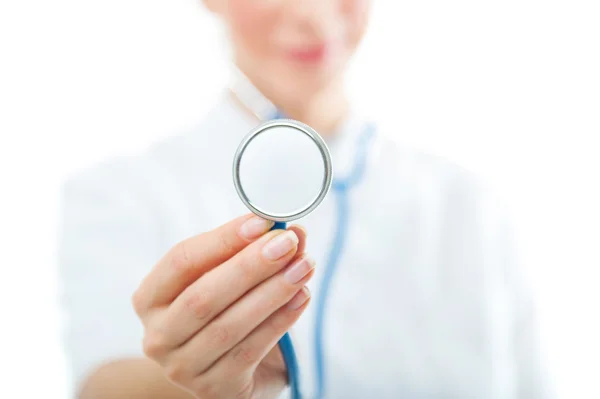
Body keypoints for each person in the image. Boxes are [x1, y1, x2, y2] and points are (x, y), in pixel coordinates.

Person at [58, 0, 552, 398]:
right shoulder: (116, 194)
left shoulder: (472, 206)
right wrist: (197, 389)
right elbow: (106, 380)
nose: (313, 12)